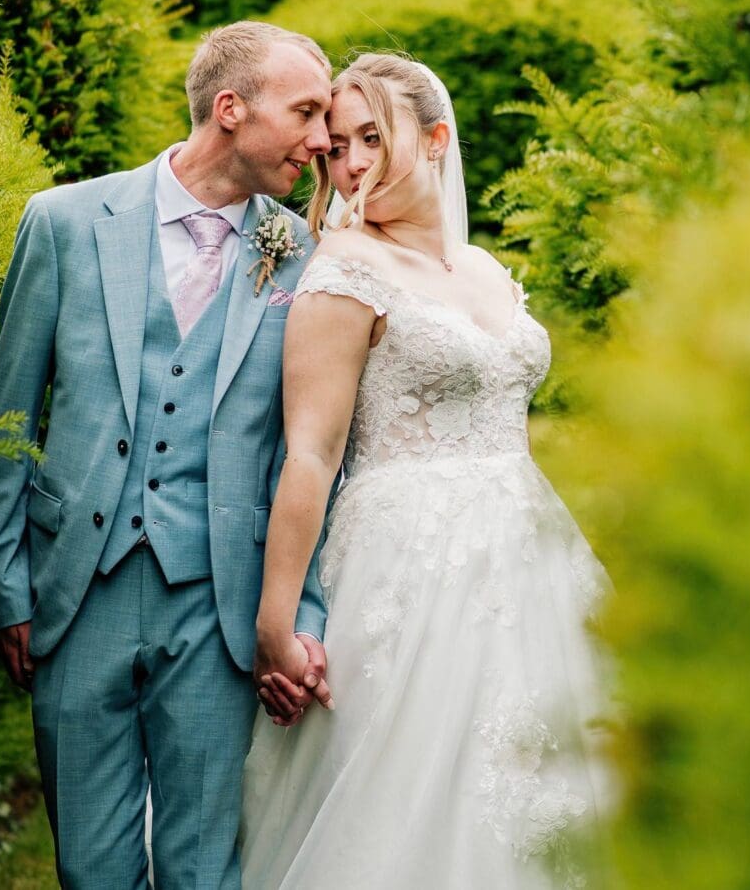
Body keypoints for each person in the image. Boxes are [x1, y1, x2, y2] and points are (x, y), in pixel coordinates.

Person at [0, 21, 337, 888]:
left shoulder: (307, 259)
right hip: (74, 593)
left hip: (220, 604)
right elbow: (9, 414)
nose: (322, 141)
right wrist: (4, 583)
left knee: (202, 868)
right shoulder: (62, 221)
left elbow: (317, 454)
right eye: (307, 112)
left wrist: (302, 618)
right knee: (89, 868)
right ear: (230, 108)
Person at [239, 53, 612, 887]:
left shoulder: (481, 269)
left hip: (528, 559)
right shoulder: (344, 268)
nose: (352, 163)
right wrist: (275, 624)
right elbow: (311, 451)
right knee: (404, 783)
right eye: (336, 146)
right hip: (405, 565)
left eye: (373, 137)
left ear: (438, 138)